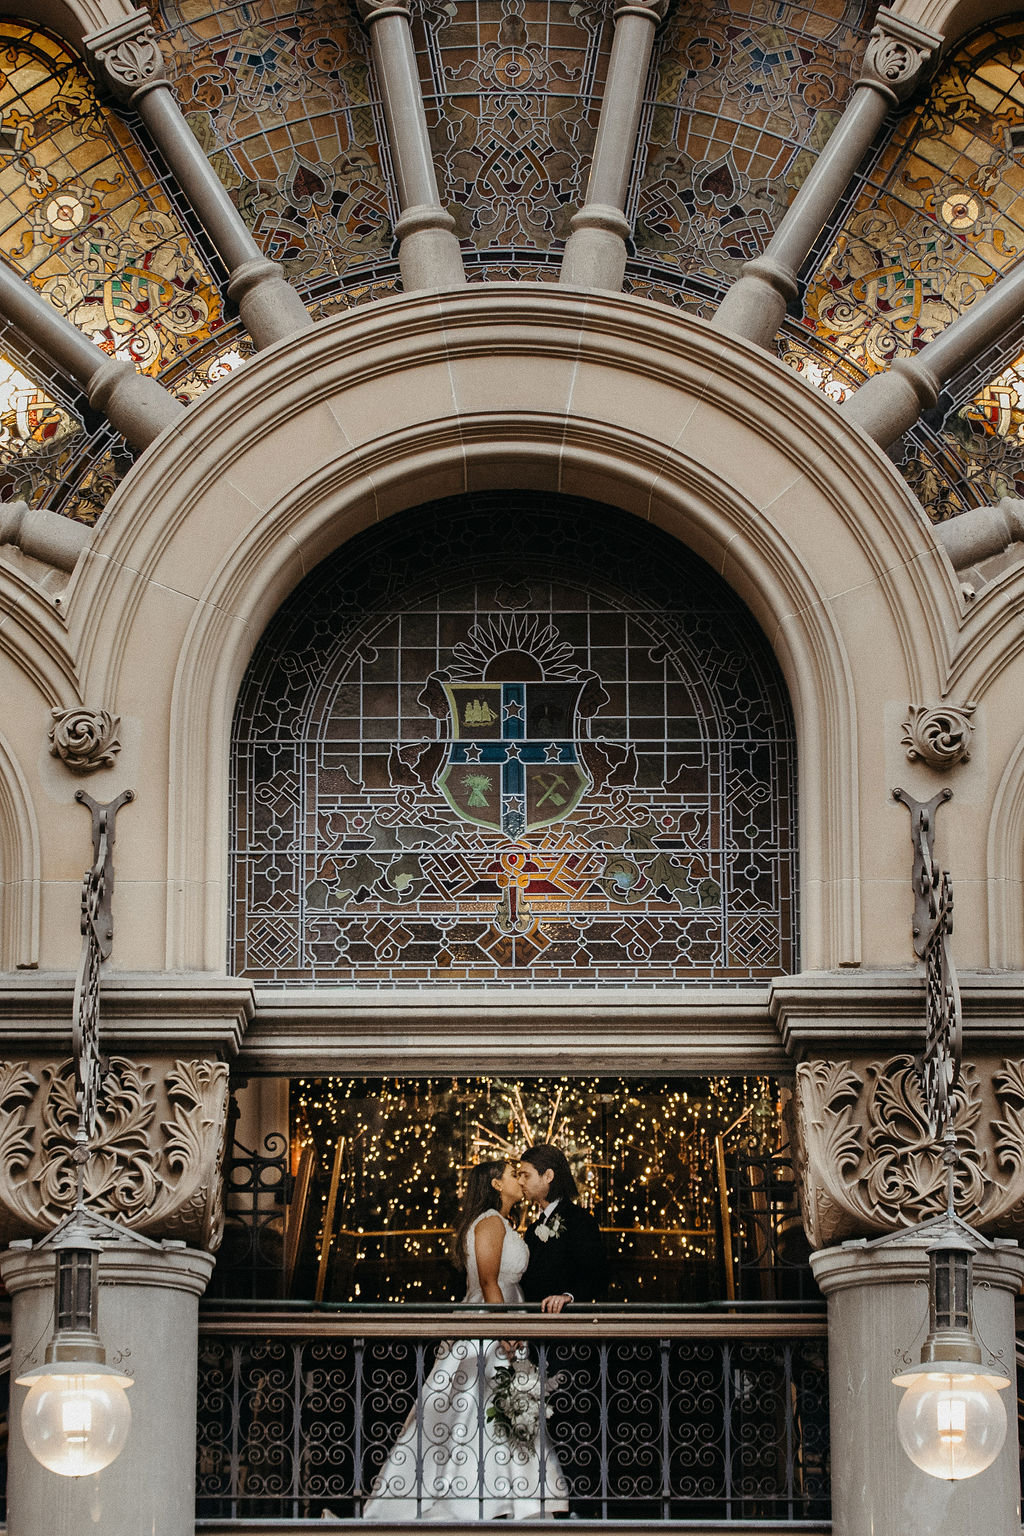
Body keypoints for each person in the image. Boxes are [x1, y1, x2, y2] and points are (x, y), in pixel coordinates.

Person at [362, 1160, 568, 1521]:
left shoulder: (504, 1222)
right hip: (492, 1323)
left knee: (504, 1408)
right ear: (494, 1184)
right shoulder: (489, 1221)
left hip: (507, 1315)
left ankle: (511, 1495)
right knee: (483, 1405)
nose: (519, 1181)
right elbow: (489, 1281)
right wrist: (504, 1331)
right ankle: (476, 1495)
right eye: (512, 1175)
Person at [519, 1144, 608, 1309]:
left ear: (548, 1176)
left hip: (567, 1324)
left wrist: (569, 1296)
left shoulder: (580, 1221)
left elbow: (597, 1274)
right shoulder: (533, 1230)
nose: (520, 1182)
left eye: (526, 1175)